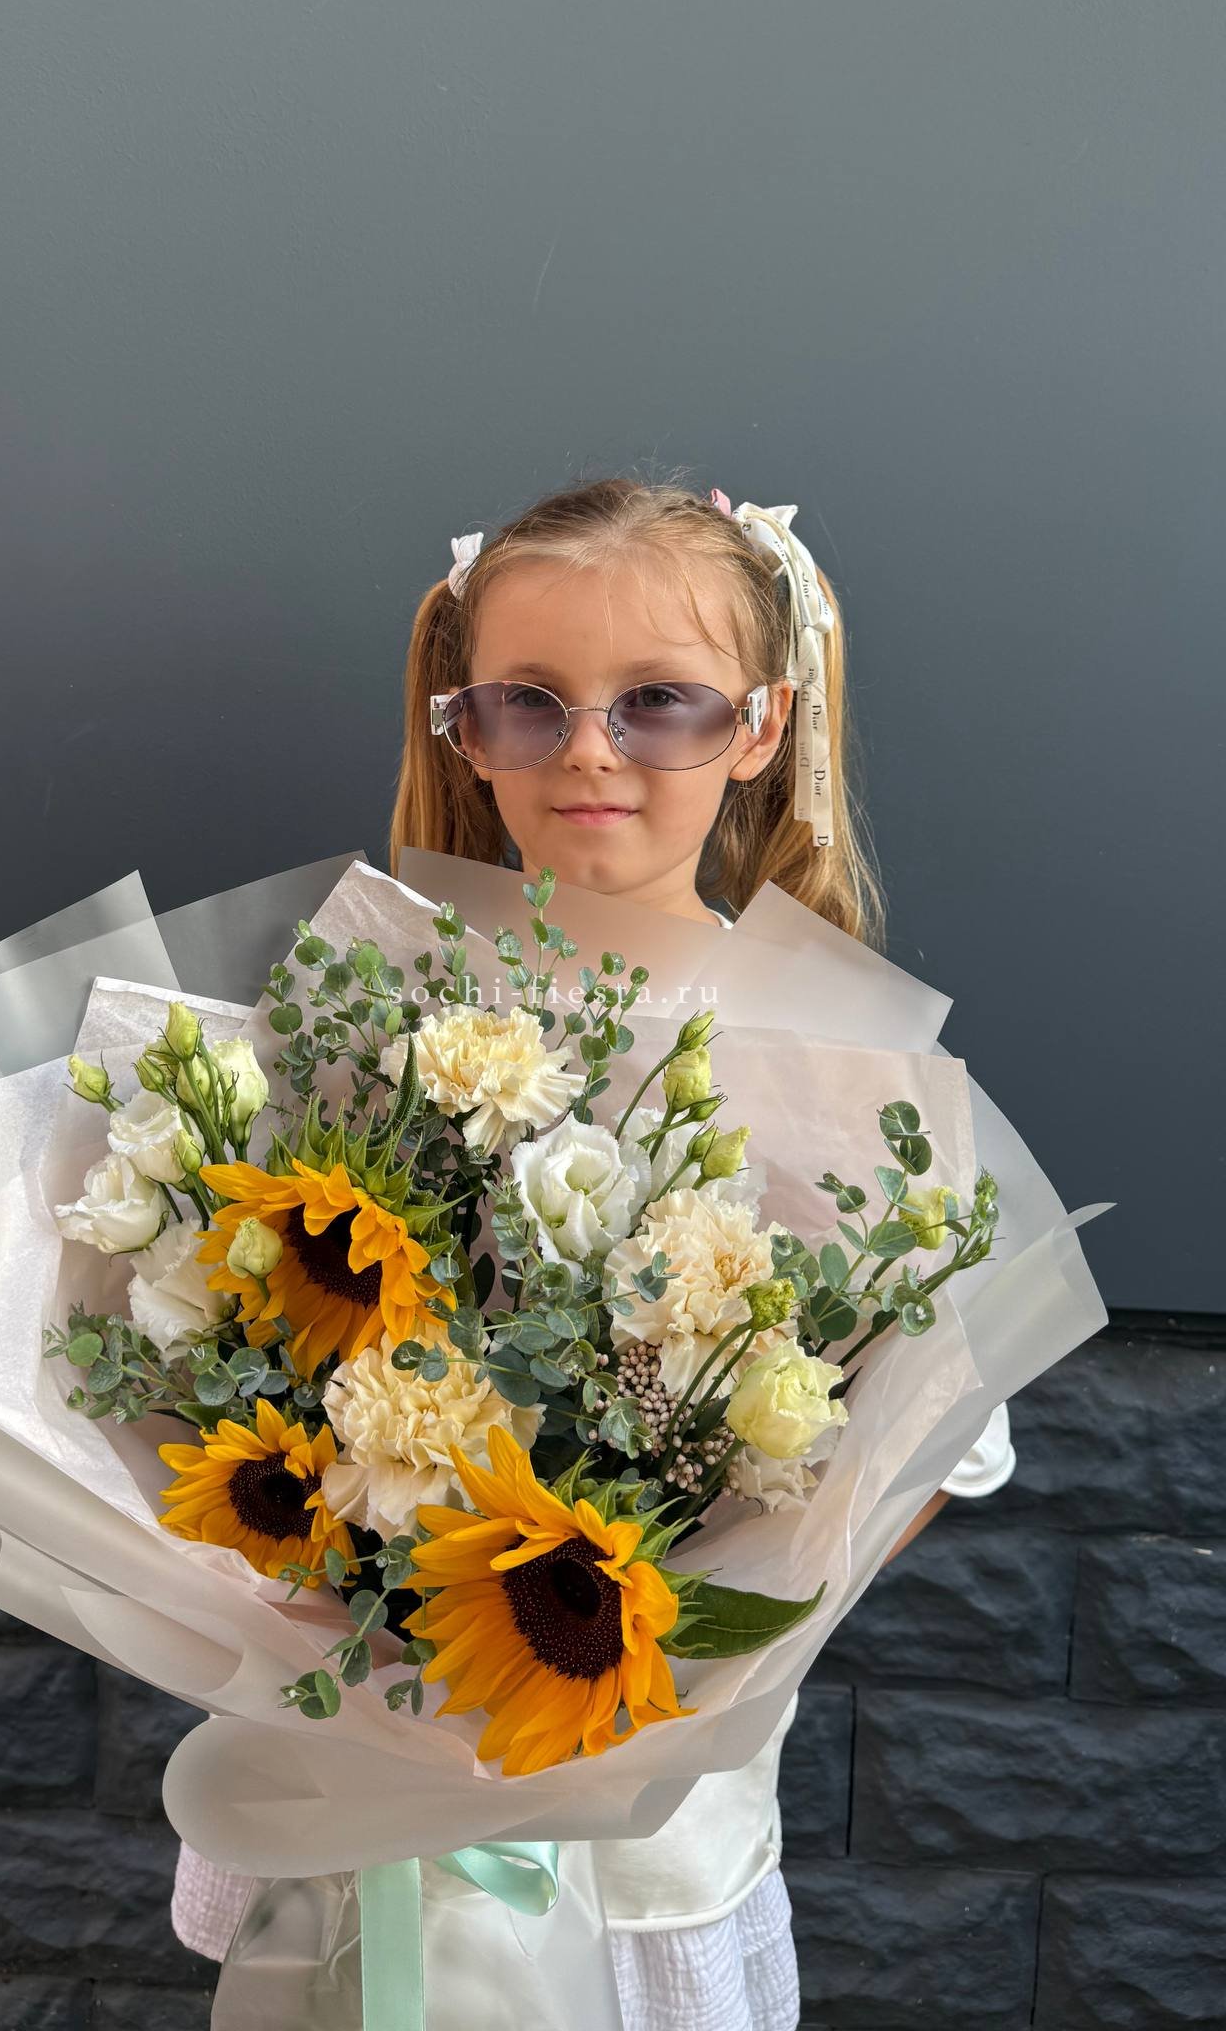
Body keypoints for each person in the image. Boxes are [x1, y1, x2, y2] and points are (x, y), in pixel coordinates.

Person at [172, 473, 1016, 2030]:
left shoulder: (837, 1066)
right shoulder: (374, 1015)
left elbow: (941, 1445)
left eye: (660, 703)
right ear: (464, 724)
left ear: (758, 726)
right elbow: (248, 1336)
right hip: (357, 1759)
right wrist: (324, 1594)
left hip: (632, 1800)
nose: (589, 752)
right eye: (531, 703)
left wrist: (707, 1641)